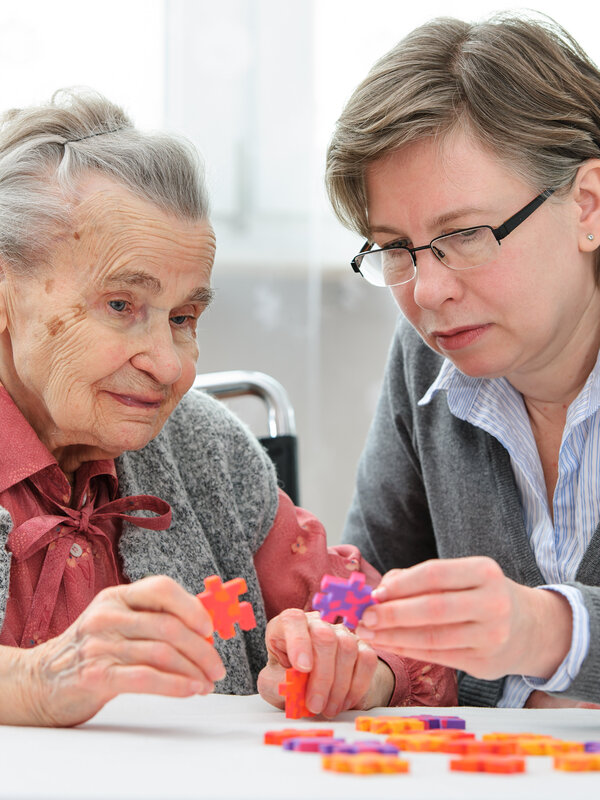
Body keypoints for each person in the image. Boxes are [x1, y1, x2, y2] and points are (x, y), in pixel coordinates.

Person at [0, 89, 455, 727]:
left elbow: (378, 617)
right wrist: (33, 679)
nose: (167, 364)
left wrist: (353, 665)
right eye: (121, 306)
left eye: (184, 317)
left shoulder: (206, 451)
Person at [325, 12, 600, 709]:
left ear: (590, 206)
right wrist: (345, 653)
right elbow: (373, 587)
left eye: (465, 235)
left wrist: (551, 631)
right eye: (395, 249)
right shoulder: (424, 358)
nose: (429, 290)